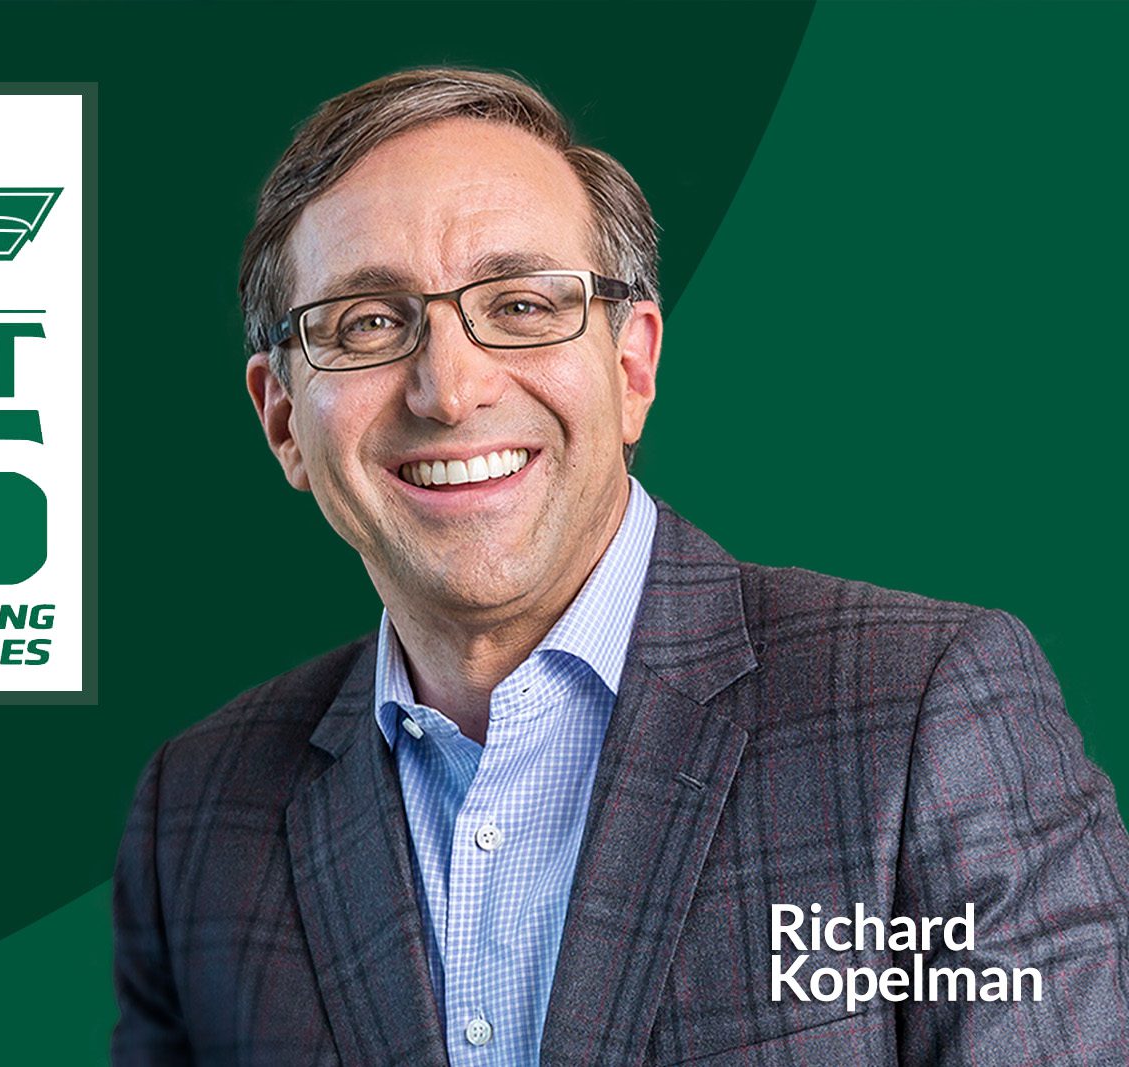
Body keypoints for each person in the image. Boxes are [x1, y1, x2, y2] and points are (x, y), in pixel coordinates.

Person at [112, 68, 1129, 1066]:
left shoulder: (923, 709)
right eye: (369, 323)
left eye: (519, 304)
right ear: (282, 417)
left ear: (632, 363)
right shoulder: (197, 809)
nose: (450, 389)